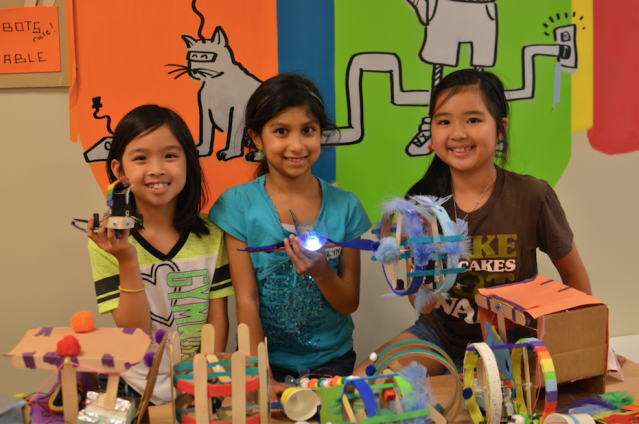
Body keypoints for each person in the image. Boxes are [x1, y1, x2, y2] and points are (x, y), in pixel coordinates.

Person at [354, 69, 591, 377]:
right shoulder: (421, 205)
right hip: (439, 337)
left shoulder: (532, 196)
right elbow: (419, 296)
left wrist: (579, 343)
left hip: (511, 344)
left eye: (473, 120)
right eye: (444, 122)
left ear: (501, 129)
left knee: (495, 400)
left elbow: (573, 275)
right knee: (364, 382)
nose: (457, 133)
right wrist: (426, 288)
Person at [209, 74, 371, 387]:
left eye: (308, 130)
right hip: (265, 362)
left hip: (333, 361)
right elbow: (246, 300)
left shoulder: (346, 206)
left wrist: (323, 273)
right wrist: (262, 375)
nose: (296, 145)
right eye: (281, 131)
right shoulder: (238, 205)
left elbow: (349, 302)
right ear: (257, 138)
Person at [87, 105, 233, 405]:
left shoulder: (214, 234)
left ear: (188, 161)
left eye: (170, 155)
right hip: (133, 385)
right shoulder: (107, 241)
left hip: (198, 382)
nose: (157, 169)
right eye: (141, 158)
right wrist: (127, 259)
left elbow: (217, 317)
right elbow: (136, 331)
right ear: (119, 170)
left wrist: (206, 378)